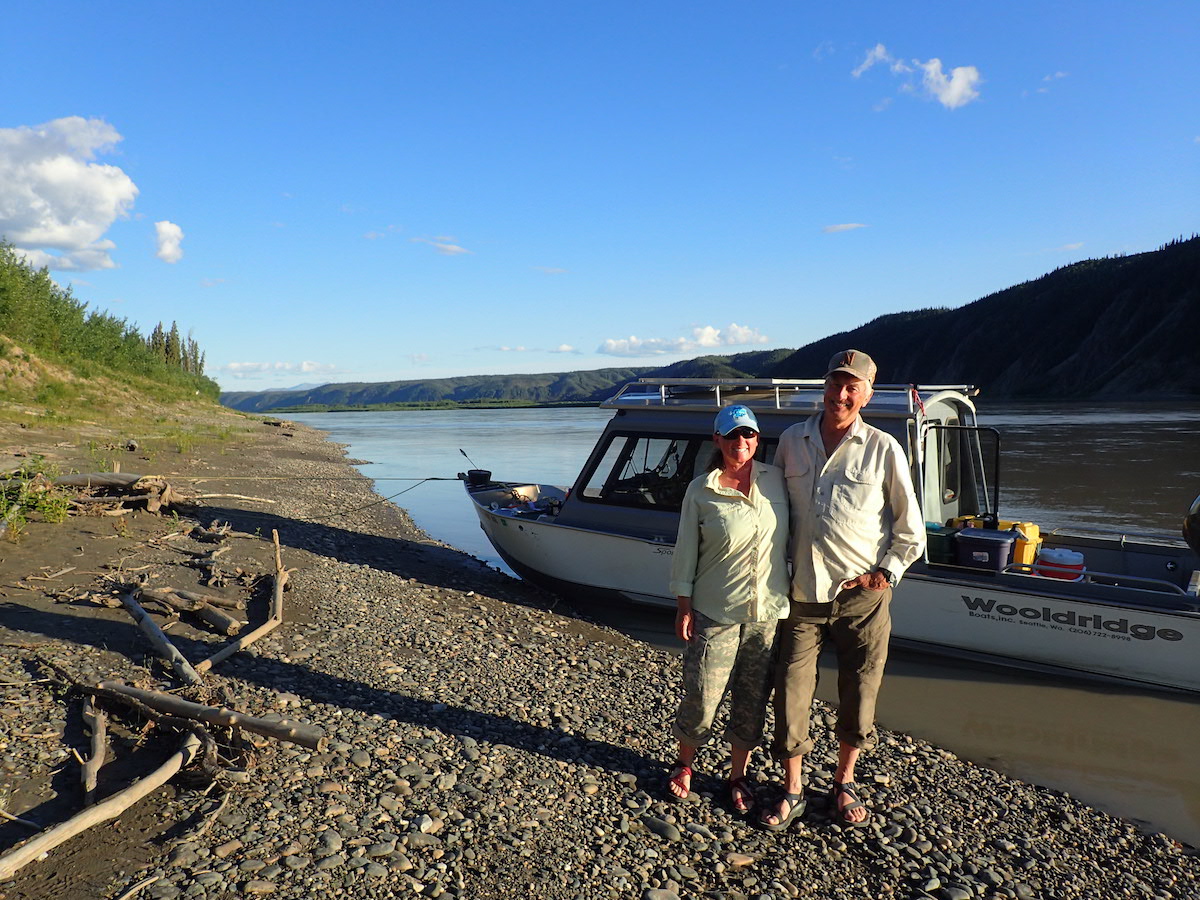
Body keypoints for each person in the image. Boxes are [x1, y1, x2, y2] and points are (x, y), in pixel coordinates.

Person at [760, 350, 924, 831]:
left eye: (854, 386)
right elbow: (774, 513)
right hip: (802, 595)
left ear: (868, 394)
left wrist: (886, 574)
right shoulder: (792, 441)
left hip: (862, 599)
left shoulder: (884, 448)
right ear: (825, 386)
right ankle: (792, 789)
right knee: (791, 691)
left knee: (860, 689)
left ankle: (843, 781)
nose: (842, 394)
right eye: (836, 383)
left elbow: (911, 530)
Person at [666, 404, 791, 813]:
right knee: (703, 691)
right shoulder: (701, 490)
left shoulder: (777, 480)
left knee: (752, 699)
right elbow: (686, 550)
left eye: (749, 435)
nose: (742, 443)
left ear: (758, 439)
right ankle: (685, 764)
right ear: (717, 440)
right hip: (714, 609)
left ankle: (738, 775)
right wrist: (684, 604)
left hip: (766, 612)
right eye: (733, 436)